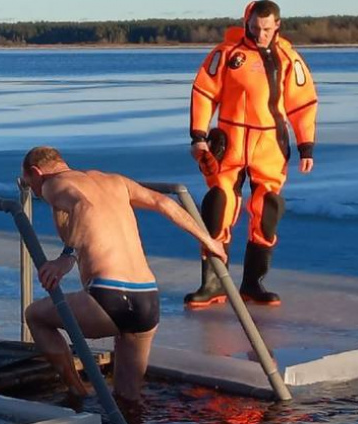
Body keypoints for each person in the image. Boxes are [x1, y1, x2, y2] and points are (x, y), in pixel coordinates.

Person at [19, 146, 228, 408]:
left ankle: (77, 392)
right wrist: (208, 240)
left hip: (109, 298)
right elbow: (164, 202)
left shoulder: (53, 183)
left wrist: (66, 258)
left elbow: (84, 205)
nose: (37, 193)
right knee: (128, 400)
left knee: (35, 316)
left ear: (37, 172)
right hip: (147, 301)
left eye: (31, 185)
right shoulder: (115, 181)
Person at [185, 0, 318, 308]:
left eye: (267, 29)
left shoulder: (287, 58)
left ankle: (253, 283)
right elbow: (204, 93)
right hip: (228, 145)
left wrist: (306, 145)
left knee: (267, 211)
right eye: (255, 28)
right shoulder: (226, 54)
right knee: (218, 206)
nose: (260, 35)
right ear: (246, 23)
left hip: (270, 145)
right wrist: (198, 136)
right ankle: (213, 283)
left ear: (277, 27)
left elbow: (303, 103)